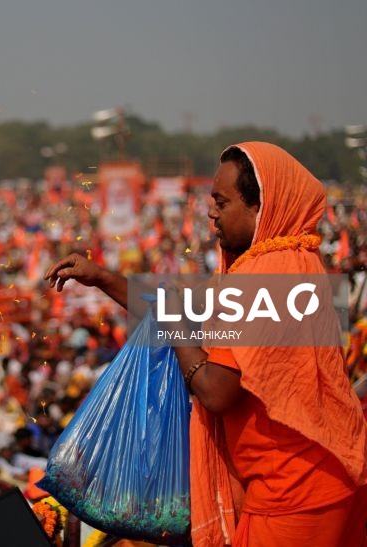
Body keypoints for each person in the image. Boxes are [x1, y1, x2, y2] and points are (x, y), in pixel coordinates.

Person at [44, 142, 367, 546]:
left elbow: (217, 390)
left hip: (295, 494)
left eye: (222, 202)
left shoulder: (267, 273)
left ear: (259, 208)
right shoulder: (289, 263)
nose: (211, 213)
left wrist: (177, 327)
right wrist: (105, 279)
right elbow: (185, 314)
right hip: (317, 481)